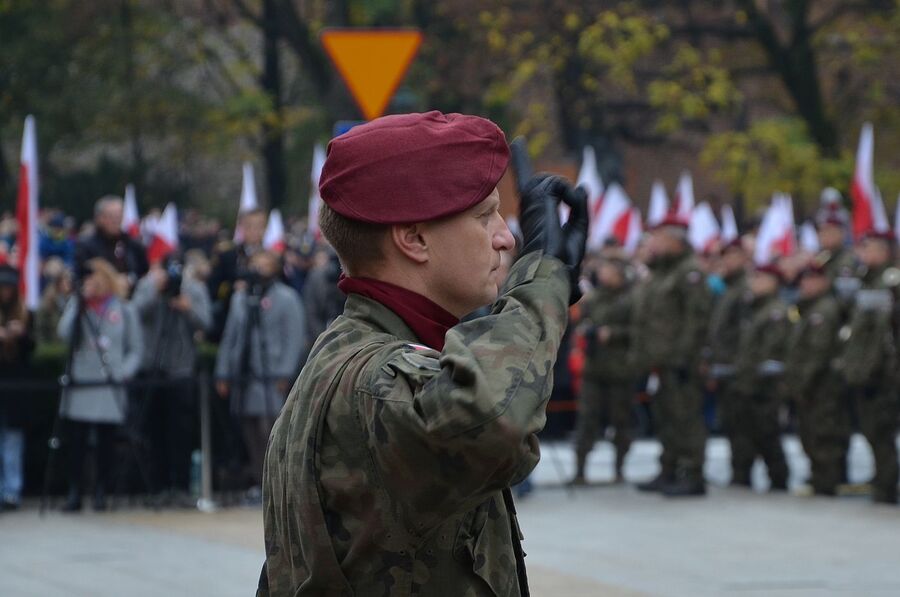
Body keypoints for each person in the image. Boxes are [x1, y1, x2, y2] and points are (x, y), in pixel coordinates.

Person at [257, 111, 587, 596]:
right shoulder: (377, 378)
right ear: (413, 239)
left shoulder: (348, 348)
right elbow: (490, 419)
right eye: (483, 216)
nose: (506, 237)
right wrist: (543, 283)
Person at [631, 215, 712, 496]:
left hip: (681, 361)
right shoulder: (661, 271)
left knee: (685, 417)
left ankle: (693, 473)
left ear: (677, 242)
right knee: (666, 416)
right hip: (661, 359)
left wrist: (684, 355)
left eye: (660, 238)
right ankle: (669, 467)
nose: (654, 244)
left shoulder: (689, 271)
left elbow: (696, 320)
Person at [215, 250, 305, 499]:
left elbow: (294, 339)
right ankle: (259, 480)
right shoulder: (241, 298)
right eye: (255, 262)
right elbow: (230, 336)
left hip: (271, 374)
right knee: (249, 430)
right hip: (244, 374)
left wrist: (285, 373)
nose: (258, 267)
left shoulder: (287, 298)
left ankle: (279, 483)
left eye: (264, 263)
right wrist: (223, 371)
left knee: (270, 429)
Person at [57, 258, 143, 511]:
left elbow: (136, 349)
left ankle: (101, 490)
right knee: (77, 440)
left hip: (109, 383)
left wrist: (123, 373)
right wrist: (79, 303)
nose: (93, 284)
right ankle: (74, 491)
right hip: (83, 379)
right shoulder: (79, 305)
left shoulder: (124, 309)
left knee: (106, 441)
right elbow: (64, 333)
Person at [132, 256, 212, 504]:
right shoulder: (148, 285)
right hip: (153, 367)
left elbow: (207, 323)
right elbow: (135, 312)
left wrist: (188, 308)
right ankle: (157, 487)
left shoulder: (194, 288)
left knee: (181, 431)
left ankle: (181, 486)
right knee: (154, 431)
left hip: (181, 369)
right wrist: (156, 291)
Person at [837, 231, 899, 504]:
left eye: (873, 249)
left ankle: (886, 486)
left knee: (881, 430)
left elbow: (883, 334)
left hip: (883, 373)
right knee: (873, 430)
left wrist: (872, 369)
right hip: (864, 370)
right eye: (865, 249)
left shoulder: (890, 282)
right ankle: (882, 480)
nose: (867, 255)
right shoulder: (863, 281)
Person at [571, 257, 635, 484]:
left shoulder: (631, 299)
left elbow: (639, 331)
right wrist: (586, 330)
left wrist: (613, 334)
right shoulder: (593, 299)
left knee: (621, 421)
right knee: (587, 419)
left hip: (620, 369)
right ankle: (579, 470)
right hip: (594, 369)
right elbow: (582, 323)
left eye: (609, 271)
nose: (604, 275)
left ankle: (619, 469)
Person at [786, 262, 848, 496]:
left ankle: (826, 482)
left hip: (821, 385)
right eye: (804, 280)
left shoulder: (824, 310)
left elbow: (818, 352)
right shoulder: (810, 308)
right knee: (811, 432)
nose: (806, 284)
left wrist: (802, 383)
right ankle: (820, 478)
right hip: (809, 383)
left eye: (812, 279)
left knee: (823, 434)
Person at [730, 264, 791, 490]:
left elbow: (772, 352)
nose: (754, 284)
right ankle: (742, 476)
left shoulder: (775, 311)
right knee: (745, 435)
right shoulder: (754, 310)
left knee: (768, 435)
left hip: (765, 386)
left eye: (760, 279)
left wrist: (756, 377)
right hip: (748, 383)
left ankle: (778, 480)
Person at [706, 238, 750, 481]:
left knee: (743, 425)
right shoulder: (726, 289)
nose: (727, 261)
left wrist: (738, 364)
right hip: (724, 365)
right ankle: (738, 472)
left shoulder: (744, 290)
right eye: (725, 256)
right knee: (732, 423)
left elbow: (744, 333)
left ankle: (744, 473)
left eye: (733, 255)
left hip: (736, 366)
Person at [0, 265, 34, 510]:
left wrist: (20, 336)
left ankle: (12, 490)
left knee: (12, 441)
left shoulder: (25, 313)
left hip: (15, 388)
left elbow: (33, 349)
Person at [207, 208, 268, 341]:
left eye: (259, 226)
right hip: (231, 322)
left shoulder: (271, 258)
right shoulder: (228, 256)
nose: (255, 231)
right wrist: (232, 288)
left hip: (262, 324)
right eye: (250, 226)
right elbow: (213, 289)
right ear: (242, 228)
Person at [73, 196, 148, 288]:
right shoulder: (85, 246)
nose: (116, 221)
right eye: (111, 216)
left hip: (132, 295)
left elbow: (143, 272)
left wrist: (130, 280)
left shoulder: (133, 244)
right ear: (99, 218)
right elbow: (80, 277)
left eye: (119, 216)